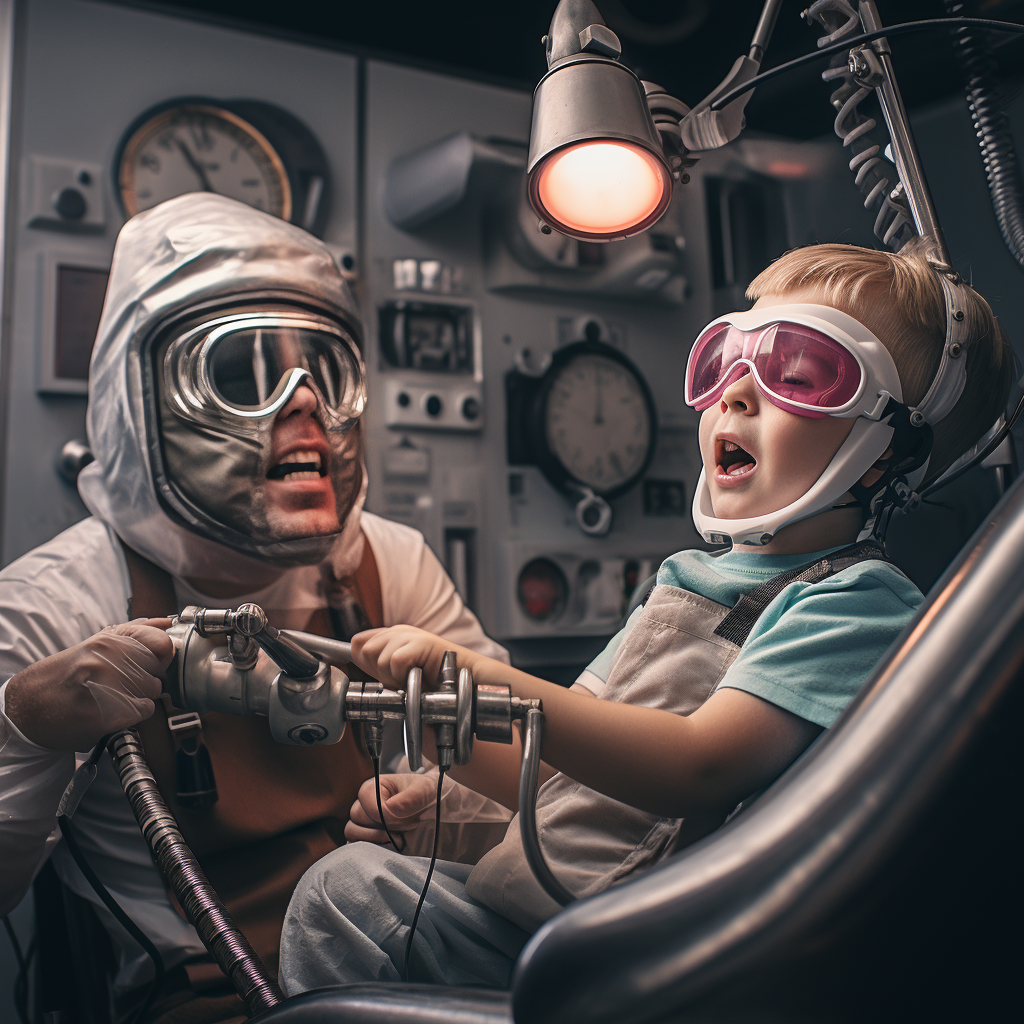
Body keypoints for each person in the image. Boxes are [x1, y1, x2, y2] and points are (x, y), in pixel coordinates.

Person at [278, 240, 1014, 992]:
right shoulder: (683, 582)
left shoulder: (855, 601)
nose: (736, 394)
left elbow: (694, 766)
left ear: (893, 446)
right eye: (726, 362)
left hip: (658, 959)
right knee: (352, 889)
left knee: (346, 898)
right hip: (555, 914)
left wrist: (474, 671)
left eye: (799, 373)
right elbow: (560, 764)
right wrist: (440, 728)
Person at [0, 193, 506, 1022]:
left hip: (395, 963)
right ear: (142, 405)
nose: (304, 406)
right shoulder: (51, 606)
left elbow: (521, 768)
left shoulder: (389, 561)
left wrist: (439, 810)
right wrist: (21, 731)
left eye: (324, 371)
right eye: (239, 376)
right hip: (211, 993)